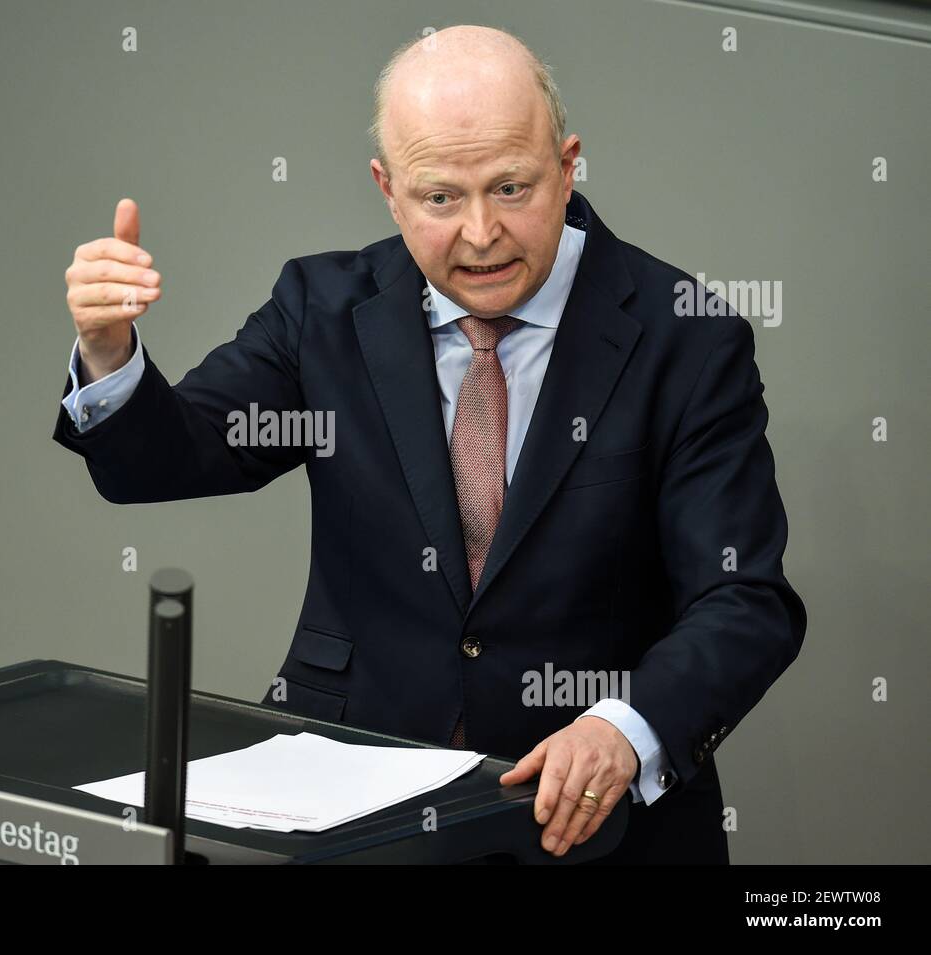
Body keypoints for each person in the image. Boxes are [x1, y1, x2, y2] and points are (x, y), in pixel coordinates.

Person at [53, 25, 805, 863]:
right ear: (388, 189)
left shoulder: (686, 338)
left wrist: (623, 727)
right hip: (354, 809)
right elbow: (167, 458)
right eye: (440, 198)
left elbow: (746, 602)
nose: (480, 232)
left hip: (590, 825)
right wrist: (109, 352)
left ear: (568, 167)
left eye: (511, 187)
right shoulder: (323, 310)